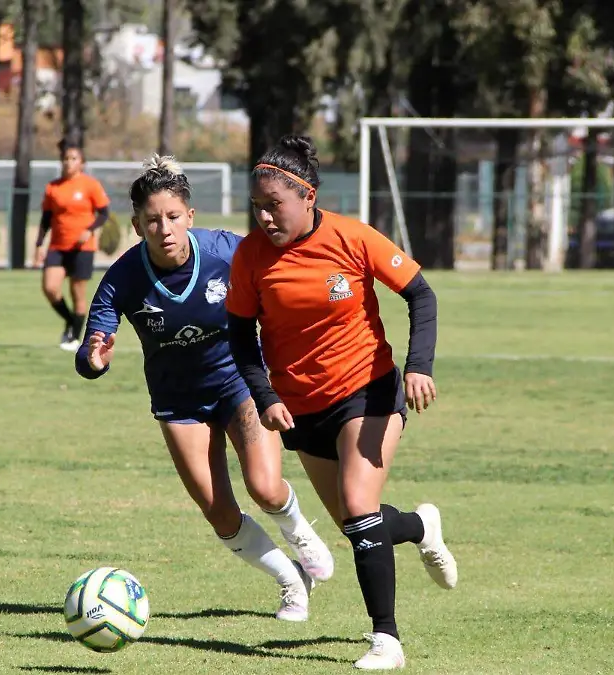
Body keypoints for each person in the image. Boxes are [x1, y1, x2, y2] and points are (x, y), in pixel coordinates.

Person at [226, 135, 458, 670]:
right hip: (298, 407)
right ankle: (422, 526)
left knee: (358, 510)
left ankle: (386, 640)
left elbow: (421, 293)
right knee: (361, 526)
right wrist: (264, 397)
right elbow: (240, 335)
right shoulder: (250, 256)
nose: (264, 216)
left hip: (368, 389)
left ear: (307, 198)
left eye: (274, 205)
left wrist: (419, 366)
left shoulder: (352, 237)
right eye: (256, 206)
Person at [75, 155, 335, 621]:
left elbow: (281, 266)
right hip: (178, 402)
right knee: (220, 515)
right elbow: (92, 343)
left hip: (238, 382)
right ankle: (290, 581)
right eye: (152, 221)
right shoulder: (123, 277)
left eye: (173, 217)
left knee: (266, 488)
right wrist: (94, 358)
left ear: (189, 216)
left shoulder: (225, 251)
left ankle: (299, 532)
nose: (165, 229)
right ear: (137, 226)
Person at [35, 140, 111, 351]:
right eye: (66, 159)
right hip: (58, 247)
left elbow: (104, 213)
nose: (69, 162)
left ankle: (74, 338)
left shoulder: (90, 185)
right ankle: (70, 320)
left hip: (82, 249)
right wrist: (39, 244)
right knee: (50, 288)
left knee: (78, 293)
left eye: (74, 159)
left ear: (82, 163)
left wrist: (89, 230)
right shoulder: (53, 187)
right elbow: (46, 219)